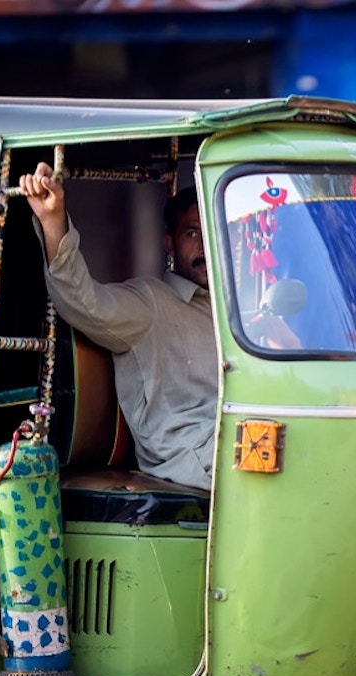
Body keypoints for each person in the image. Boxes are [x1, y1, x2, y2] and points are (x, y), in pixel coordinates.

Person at [20, 163, 217, 491]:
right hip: (190, 452)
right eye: (191, 233)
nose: (204, 247)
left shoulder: (237, 308)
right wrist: (53, 220)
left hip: (239, 436)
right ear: (169, 243)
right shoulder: (151, 301)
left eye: (212, 232)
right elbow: (83, 301)